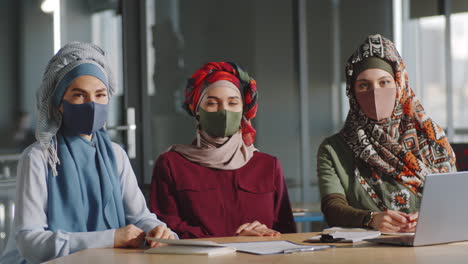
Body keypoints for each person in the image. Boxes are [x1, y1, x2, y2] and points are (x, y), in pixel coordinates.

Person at [0, 42, 176, 264]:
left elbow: (139, 217)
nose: (92, 104)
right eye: (79, 95)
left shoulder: (116, 155)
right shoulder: (40, 157)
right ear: (60, 103)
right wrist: (111, 238)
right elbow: (30, 243)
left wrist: (157, 230)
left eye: (100, 95)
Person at [317, 34, 457, 233]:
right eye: (364, 85)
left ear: (399, 85)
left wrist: (430, 218)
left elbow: (455, 201)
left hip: (431, 246)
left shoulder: (432, 138)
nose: (375, 92)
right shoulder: (334, 149)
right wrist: (371, 219)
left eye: (384, 82)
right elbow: (333, 209)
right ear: (352, 92)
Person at [150, 62, 296, 238]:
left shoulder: (267, 166)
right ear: (197, 109)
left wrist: (269, 235)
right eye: (212, 103)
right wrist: (234, 239)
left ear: (243, 109)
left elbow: (286, 231)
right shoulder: (171, 165)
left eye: (233, 103)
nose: (224, 112)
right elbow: (166, 229)